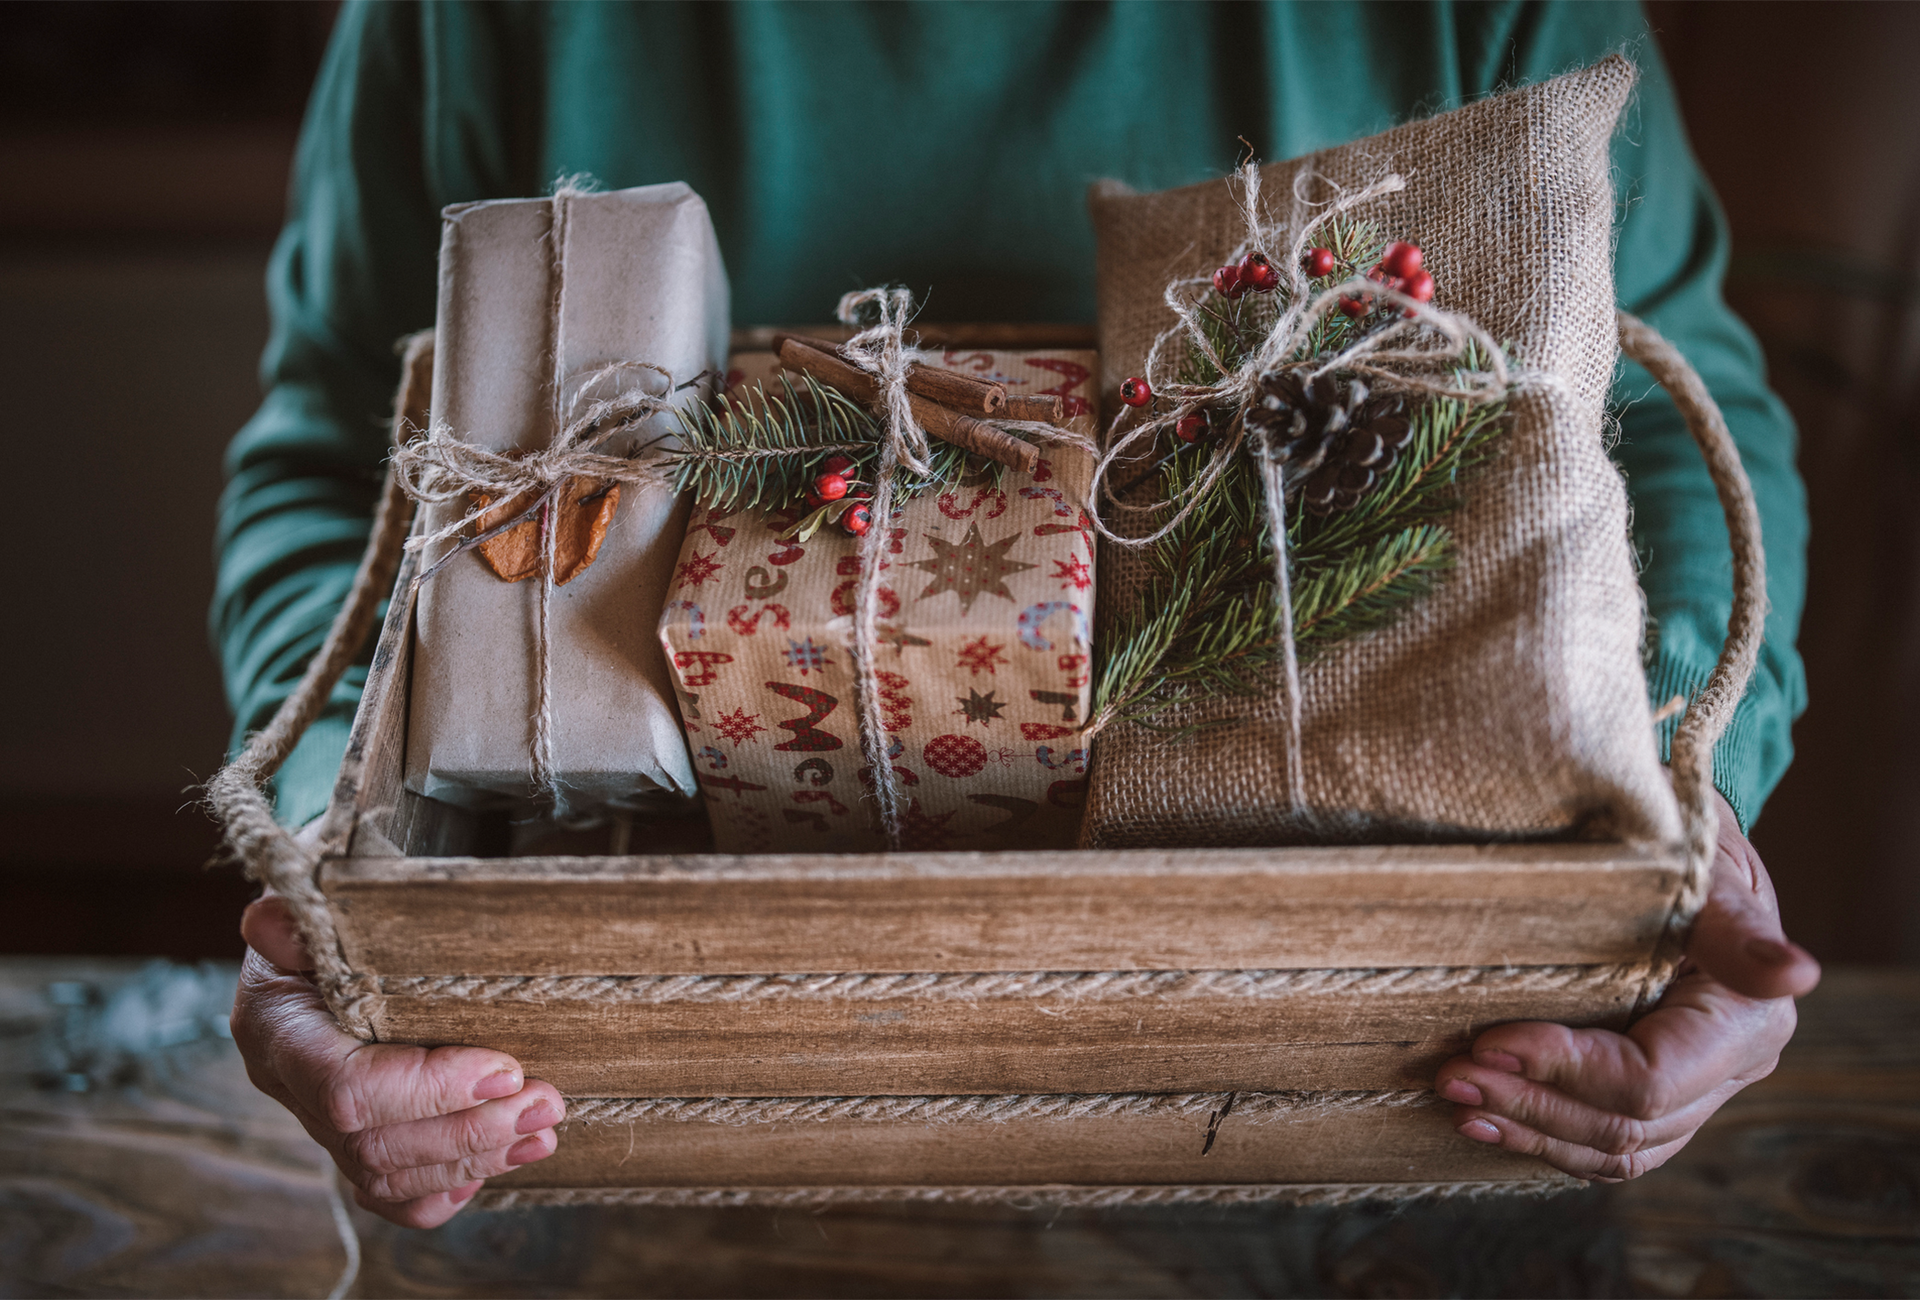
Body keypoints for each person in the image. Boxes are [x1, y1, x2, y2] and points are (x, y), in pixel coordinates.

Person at [222, 1, 1820, 1228]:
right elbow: (336, 457)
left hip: (1374, 1101)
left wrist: (1689, 793)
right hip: (615, 1121)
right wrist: (329, 875)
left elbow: (1673, 417)